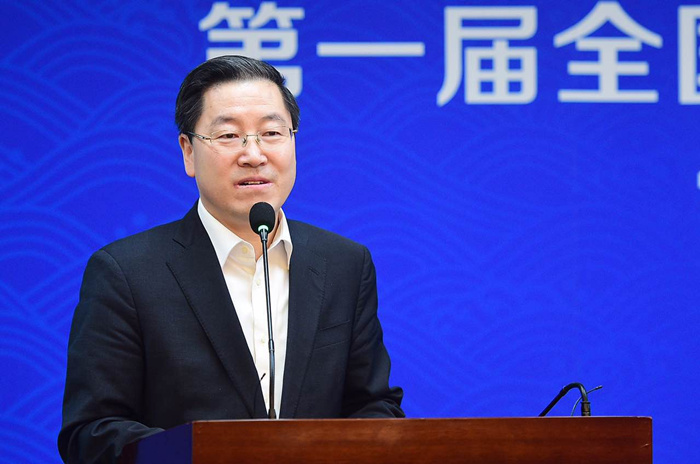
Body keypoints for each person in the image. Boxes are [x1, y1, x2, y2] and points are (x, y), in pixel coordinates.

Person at [58, 55, 404, 464]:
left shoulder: (345, 264)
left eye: (271, 132)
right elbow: (93, 432)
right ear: (188, 152)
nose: (254, 154)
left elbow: (373, 406)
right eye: (229, 136)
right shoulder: (126, 273)